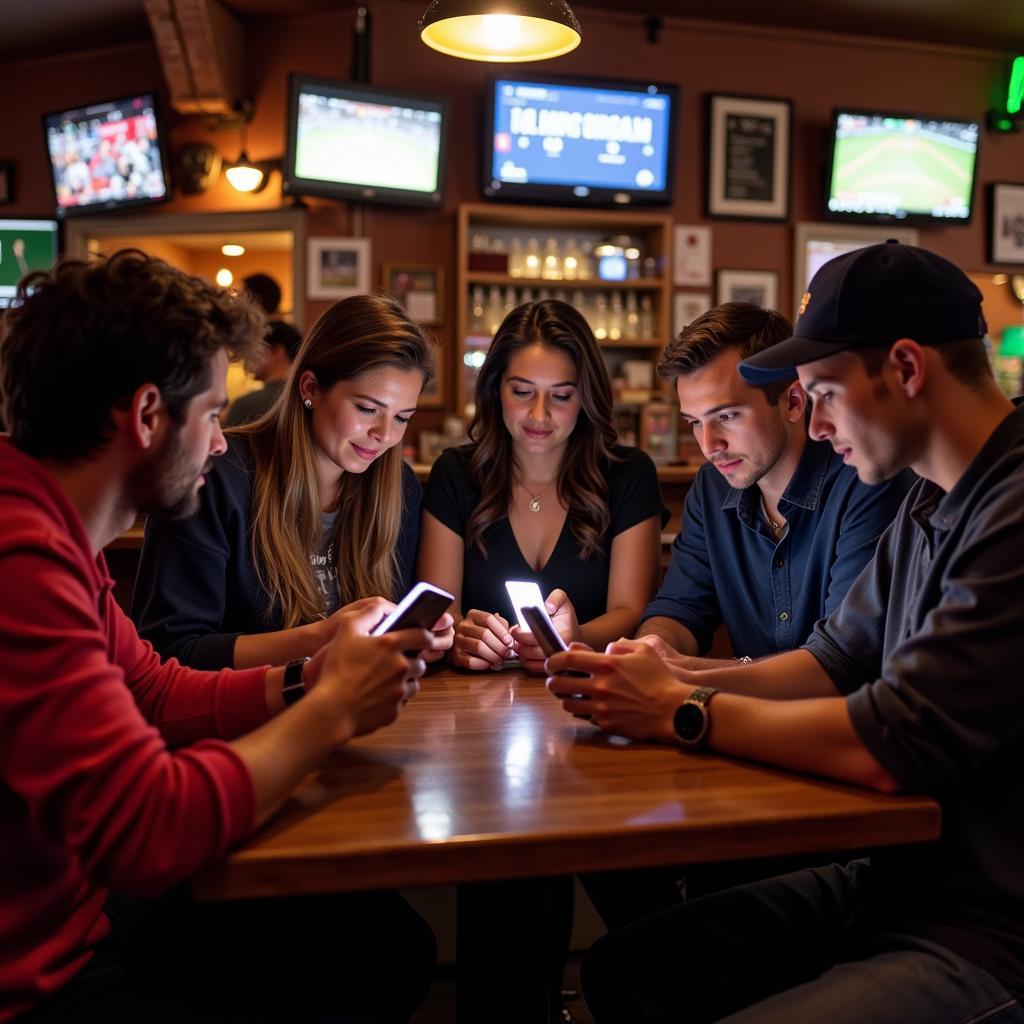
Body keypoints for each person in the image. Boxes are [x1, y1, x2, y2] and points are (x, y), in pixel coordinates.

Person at [549, 241, 1024, 1024]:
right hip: (900, 881)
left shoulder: (1009, 507)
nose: (819, 419)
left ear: (906, 368)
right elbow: (837, 658)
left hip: (990, 930)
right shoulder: (931, 496)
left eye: (826, 393)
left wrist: (679, 711)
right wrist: (661, 680)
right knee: (625, 968)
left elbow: (894, 739)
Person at [0, 250, 437, 1023]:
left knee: (386, 948)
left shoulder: (56, 531)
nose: (223, 441)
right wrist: (332, 707)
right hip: (40, 976)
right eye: (211, 414)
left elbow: (156, 690)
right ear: (144, 417)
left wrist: (306, 676)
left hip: (83, 907)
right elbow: (151, 826)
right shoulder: (20, 558)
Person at [133, 293, 454, 672]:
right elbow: (170, 651)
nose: (384, 435)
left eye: (402, 418)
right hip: (242, 723)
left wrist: (421, 641)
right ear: (310, 389)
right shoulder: (216, 477)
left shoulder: (399, 487)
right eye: (368, 409)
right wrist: (324, 637)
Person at [640, 300, 913, 665]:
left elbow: (843, 661)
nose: (709, 446)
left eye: (728, 415)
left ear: (794, 401)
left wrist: (692, 675)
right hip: (746, 714)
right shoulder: (712, 487)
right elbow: (681, 608)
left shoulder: (866, 479)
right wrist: (651, 649)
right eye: (694, 422)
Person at [419, 299, 664, 673]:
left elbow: (630, 612)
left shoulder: (628, 474)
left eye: (561, 396)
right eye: (522, 392)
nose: (539, 414)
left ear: (586, 397)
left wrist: (574, 639)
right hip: (474, 700)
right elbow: (442, 613)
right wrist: (460, 639)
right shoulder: (455, 473)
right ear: (495, 388)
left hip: (591, 688)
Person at [223, 318, 303, 427]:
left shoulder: (246, 405)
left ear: (277, 351)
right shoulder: (306, 399)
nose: (248, 357)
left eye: (255, 349)